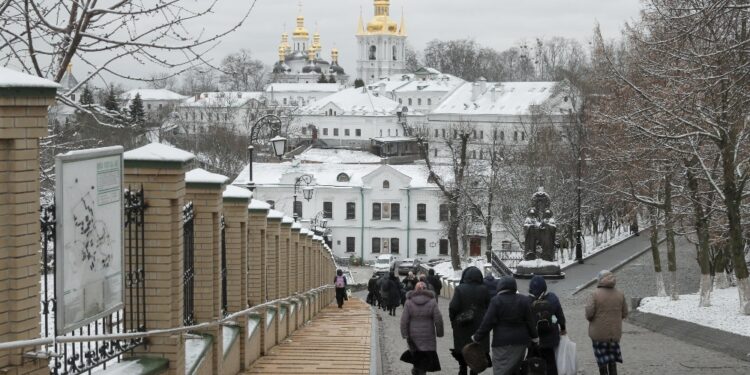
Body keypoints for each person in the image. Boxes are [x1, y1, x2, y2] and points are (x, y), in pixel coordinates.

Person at [472, 276, 539, 375]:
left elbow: (487, 322)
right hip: (520, 343)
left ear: (500, 287)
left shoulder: (496, 301)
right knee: (515, 370)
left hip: (501, 344)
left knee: (501, 371)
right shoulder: (523, 300)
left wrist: (477, 337)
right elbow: (530, 322)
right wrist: (535, 338)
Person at [449, 267, 490, 375]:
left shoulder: (460, 289)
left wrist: (453, 320)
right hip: (480, 325)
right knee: (476, 349)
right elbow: (488, 306)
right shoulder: (484, 289)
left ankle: (462, 368)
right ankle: (474, 371)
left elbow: (453, 307)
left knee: (462, 348)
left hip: (462, 325)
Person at [586, 270, 628, 375]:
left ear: (599, 280)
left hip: (598, 334)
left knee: (602, 361)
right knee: (612, 360)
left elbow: (589, 314)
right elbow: (625, 313)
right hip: (614, 334)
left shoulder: (594, 294)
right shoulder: (620, 294)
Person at [400, 282, 444, 374]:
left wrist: (404, 334)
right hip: (428, 335)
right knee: (425, 356)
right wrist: (439, 332)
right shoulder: (432, 301)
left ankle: (416, 369)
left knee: (416, 354)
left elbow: (404, 320)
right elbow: (438, 318)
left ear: (415, 289)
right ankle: (421, 371)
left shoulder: (409, 301)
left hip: (413, 335)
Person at [529, 275, 567, 375]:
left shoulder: (528, 301)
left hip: (534, 339)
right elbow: (559, 316)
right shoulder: (552, 298)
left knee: (533, 362)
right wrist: (562, 328)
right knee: (550, 362)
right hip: (550, 338)